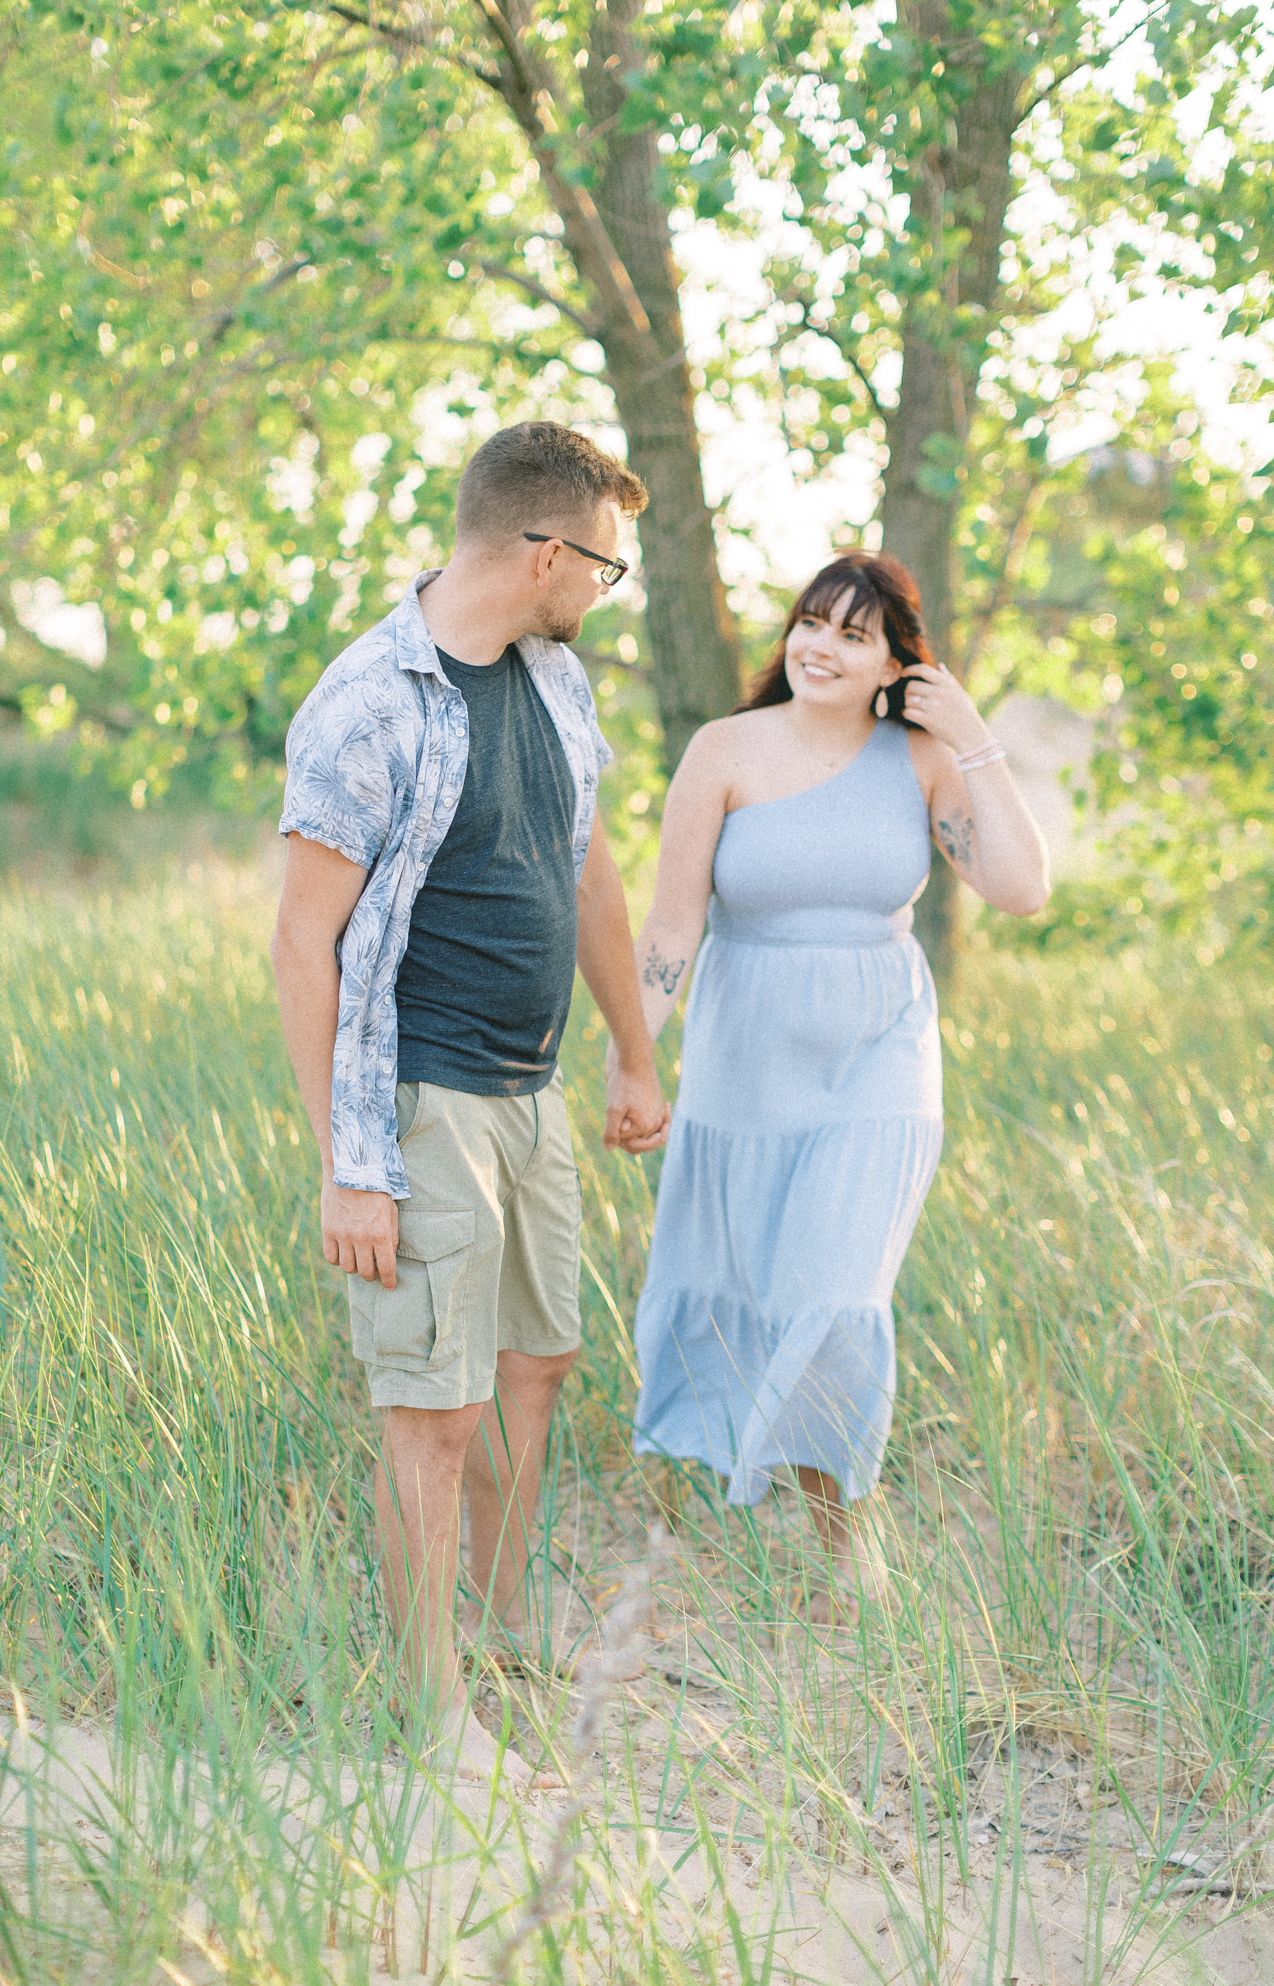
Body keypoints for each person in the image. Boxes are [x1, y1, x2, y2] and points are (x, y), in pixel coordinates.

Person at [270, 423, 669, 1787]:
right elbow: (301, 943)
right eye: (604, 570)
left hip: (530, 1091)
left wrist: (630, 1051)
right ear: (546, 552)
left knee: (533, 1367)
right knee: (428, 1413)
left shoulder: (552, 683)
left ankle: (498, 1639)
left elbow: (592, 870)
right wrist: (349, 1163)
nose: (606, 594)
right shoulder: (368, 701)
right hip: (421, 1097)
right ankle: (430, 1710)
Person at [621, 551, 1049, 1621]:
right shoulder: (723, 748)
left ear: (897, 661)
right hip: (741, 1061)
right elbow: (672, 925)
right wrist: (635, 1055)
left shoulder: (919, 760)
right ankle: (678, 1527)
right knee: (723, 1291)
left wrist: (973, 736)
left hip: (880, 1062)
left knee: (835, 1297)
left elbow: (1023, 889)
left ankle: (841, 1549)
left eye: (854, 634)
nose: (820, 645)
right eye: (811, 622)